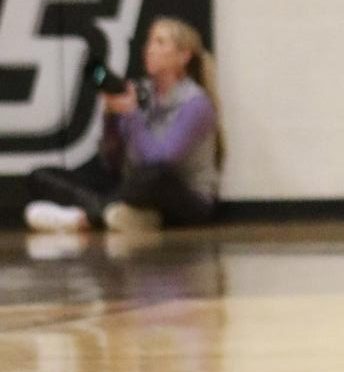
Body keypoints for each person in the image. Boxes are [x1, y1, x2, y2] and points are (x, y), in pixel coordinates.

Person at [24, 18, 223, 236]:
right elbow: (112, 162)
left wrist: (131, 114)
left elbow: (161, 160)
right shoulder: (141, 91)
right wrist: (110, 118)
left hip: (185, 198)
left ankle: (84, 216)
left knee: (153, 177)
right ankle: (121, 216)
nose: (149, 49)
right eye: (149, 42)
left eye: (160, 42)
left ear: (183, 56)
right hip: (133, 188)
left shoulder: (196, 103)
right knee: (41, 176)